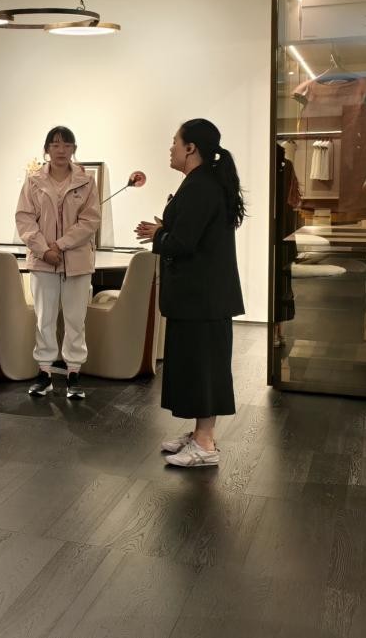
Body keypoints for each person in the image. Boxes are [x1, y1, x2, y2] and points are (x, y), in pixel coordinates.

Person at [135, 118, 246, 468]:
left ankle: (205, 443)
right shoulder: (203, 183)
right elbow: (193, 233)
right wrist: (165, 229)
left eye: (175, 141)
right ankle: (199, 434)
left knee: (204, 367)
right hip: (199, 296)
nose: (170, 148)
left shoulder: (201, 186)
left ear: (191, 148)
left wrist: (159, 235)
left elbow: (184, 243)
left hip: (203, 297)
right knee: (197, 365)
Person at [15, 126, 101, 399]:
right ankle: (45, 373)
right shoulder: (33, 181)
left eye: (66, 145)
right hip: (43, 262)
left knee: (76, 320)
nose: (61, 150)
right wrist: (44, 250)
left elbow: (90, 220)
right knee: (44, 318)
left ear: (74, 149)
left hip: (77, 261)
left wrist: (60, 245)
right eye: (55, 145)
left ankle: (74, 373)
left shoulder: (86, 181)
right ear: (47, 149)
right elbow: (24, 219)